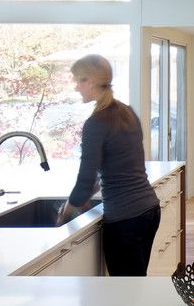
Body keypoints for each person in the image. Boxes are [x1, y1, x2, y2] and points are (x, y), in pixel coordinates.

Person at [59, 54, 161, 276]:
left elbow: (85, 180)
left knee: (123, 292)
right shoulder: (127, 112)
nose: (76, 87)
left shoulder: (96, 123)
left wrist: (65, 212)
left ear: (91, 82)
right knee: (135, 285)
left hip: (126, 218)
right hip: (149, 209)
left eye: (78, 81)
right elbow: (117, 168)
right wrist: (84, 196)